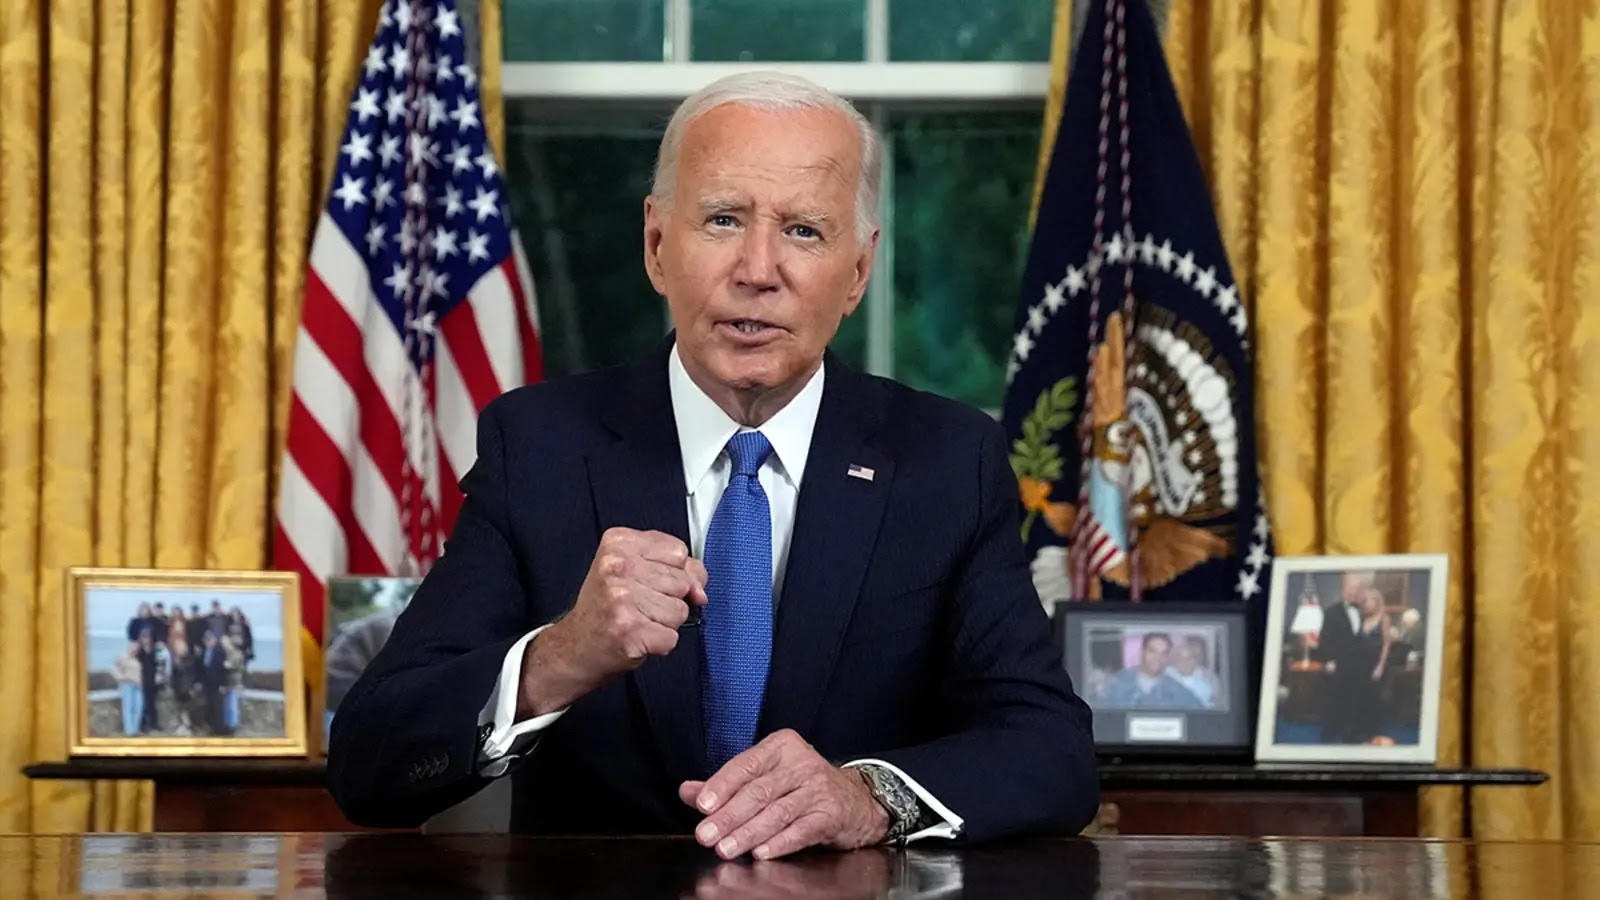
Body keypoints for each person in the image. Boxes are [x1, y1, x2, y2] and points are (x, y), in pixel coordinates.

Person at [327, 71, 1098, 856]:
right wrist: (561, 656)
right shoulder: (540, 448)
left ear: (858, 272)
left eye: (803, 230)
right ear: (658, 247)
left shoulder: (946, 460)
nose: (758, 270)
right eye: (724, 220)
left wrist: (868, 796)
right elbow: (368, 765)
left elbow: (1052, 750)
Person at [1097, 633, 1203, 709]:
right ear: (1142, 652)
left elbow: (1200, 716)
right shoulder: (1116, 683)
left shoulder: (1177, 690)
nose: (1158, 658)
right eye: (1153, 651)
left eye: (1164, 653)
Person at [1164, 635, 1216, 708]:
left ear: (1195, 661)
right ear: (1176, 661)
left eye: (1189, 658)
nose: (1184, 662)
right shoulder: (1167, 673)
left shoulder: (1204, 685)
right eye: (1180, 658)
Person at [111, 642, 143, 736]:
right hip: (127, 685)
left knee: (138, 707)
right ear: (129, 648)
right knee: (128, 708)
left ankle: (136, 729)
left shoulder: (138, 659)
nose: (134, 650)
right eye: (133, 648)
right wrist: (121, 678)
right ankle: (129, 731)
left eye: (136, 648)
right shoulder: (123, 657)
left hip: (138, 686)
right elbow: (113, 669)